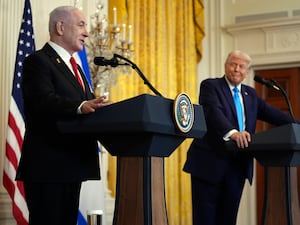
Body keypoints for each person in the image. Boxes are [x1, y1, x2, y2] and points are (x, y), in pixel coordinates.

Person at [15, 6, 109, 225]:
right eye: (81, 25)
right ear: (60, 27)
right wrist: (81, 106)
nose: (87, 32)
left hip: (72, 166)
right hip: (48, 167)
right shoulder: (37, 61)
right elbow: (42, 101)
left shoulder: (76, 68)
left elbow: (86, 107)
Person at [183, 50, 295, 225]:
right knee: (205, 220)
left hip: (237, 166)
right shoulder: (211, 86)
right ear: (226, 66)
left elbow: (274, 115)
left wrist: (296, 126)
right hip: (209, 164)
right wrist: (233, 133)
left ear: (247, 72)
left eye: (241, 66)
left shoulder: (250, 95)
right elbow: (213, 112)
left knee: (228, 219)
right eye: (233, 64)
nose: (236, 69)